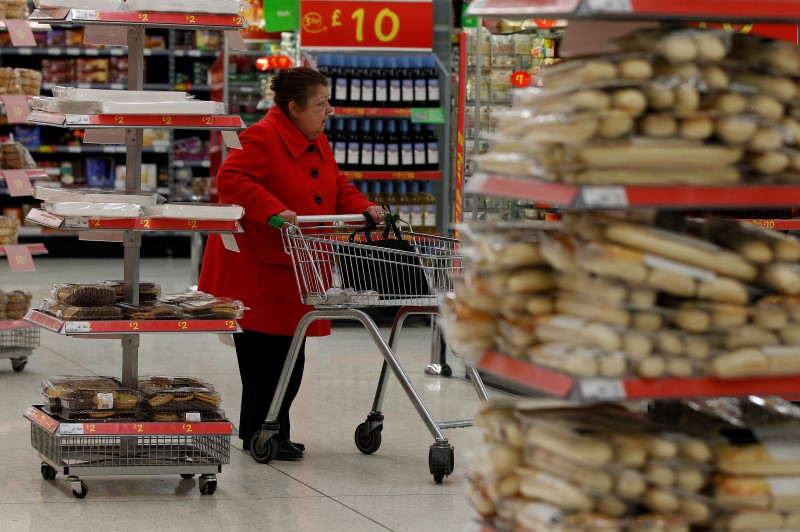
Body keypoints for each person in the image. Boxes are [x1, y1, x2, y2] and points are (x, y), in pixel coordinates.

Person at [199, 67, 385, 461]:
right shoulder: (262, 136)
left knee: (290, 354)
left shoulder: (315, 139)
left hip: (295, 264)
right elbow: (230, 180)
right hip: (257, 268)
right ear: (295, 107)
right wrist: (274, 211)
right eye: (321, 104)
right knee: (263, 358)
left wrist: (363, 207)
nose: (329, 110)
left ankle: (274, 429)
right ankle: (259, 432)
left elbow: (337, 186)